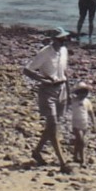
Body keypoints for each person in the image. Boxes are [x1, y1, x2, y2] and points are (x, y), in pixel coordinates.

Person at [22, 28, 73, 173]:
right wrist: (42, 79)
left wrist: (68, 93)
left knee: (52, 126)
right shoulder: (45, 53)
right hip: (48, 91)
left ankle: (37, 151)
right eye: (62, 39)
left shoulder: (63, 51)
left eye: (66, 39)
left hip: (61, 89)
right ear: (54, 39)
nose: (64, 42)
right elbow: (27, 70)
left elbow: (65, 73)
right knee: (53, 125)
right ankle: (62, 162)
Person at [66, 82, 96, 167]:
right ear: (77, 93)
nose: (84, 94)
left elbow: (91, 113)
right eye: (82, 92)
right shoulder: (73, 100)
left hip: (84, 123)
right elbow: (66, 100)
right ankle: (83, 160)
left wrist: (94, 123)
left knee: (78, 141)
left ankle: (75, 156)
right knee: (81, 141)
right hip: (76, 123)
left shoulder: (87, 101)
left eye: (85, 92)